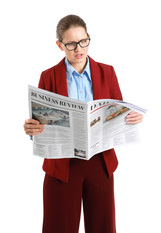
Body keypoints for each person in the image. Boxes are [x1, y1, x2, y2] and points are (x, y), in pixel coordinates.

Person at [24, 15, 143, 233]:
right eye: (71, 44)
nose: (79, 48)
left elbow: (117, 112)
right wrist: (32, 129)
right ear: (60, 45)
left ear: (89, 38)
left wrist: (131, 118)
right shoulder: (48, 77)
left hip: (100, 162)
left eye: (84, 41)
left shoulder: (107, 72)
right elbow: (40, 125)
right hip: (62, 166)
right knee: (58, 228)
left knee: (102, 228)